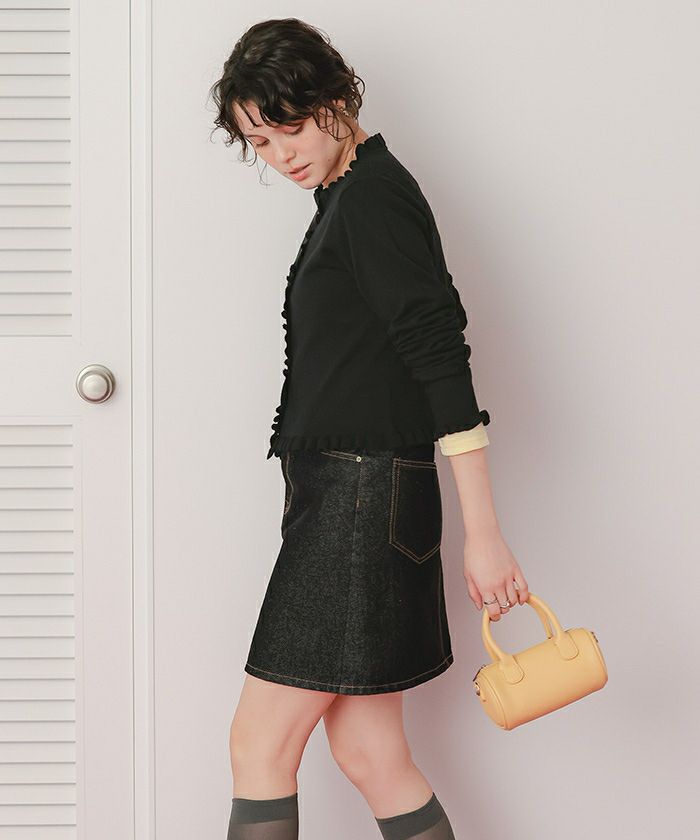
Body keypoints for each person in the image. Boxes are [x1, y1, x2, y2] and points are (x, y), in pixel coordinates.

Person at [209, 17, 529, 840]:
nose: (281, 154)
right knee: (370, 753)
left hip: (359, 500)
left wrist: (484, 534)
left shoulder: (372, 197)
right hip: (356, 496)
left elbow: (439, 355)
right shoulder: (349, 197)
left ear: (334, 99)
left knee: (258, 745)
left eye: (289, 126)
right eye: (259, 141)